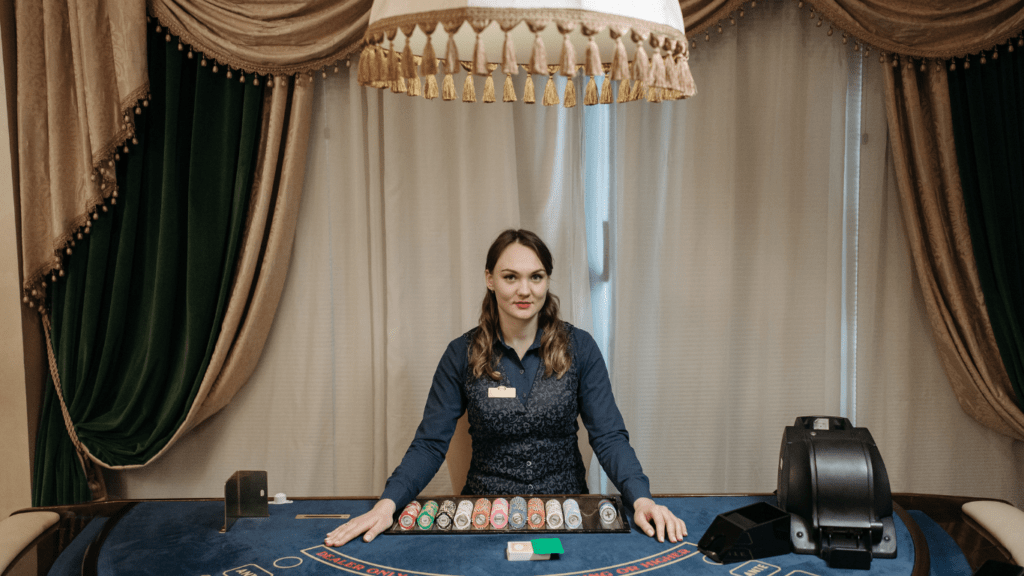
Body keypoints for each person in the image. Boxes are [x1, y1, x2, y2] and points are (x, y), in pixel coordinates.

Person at [325, 229, 686, 547]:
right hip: (484, 517)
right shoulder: (460, 354)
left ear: (547, 280)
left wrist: (642, 500)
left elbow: (608, 436)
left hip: (566, 515)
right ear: (490, 279)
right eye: (511, 277)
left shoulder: (581, 348)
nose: (524, 290)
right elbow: (431, 443)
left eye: (536, 277)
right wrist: (388, 504)